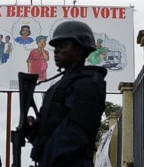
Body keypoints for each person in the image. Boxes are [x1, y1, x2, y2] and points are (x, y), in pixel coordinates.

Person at [27, 21, 107, 167]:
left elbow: (75, 133)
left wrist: (47, 161)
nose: (56, 51)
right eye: (55, 47)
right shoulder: (59, 85)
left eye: (63, 45)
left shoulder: (89, 83)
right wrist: (33, 130)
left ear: (80, 49)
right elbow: (51, 130)